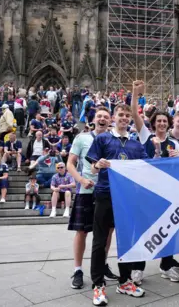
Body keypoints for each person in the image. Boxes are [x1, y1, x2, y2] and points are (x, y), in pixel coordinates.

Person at [87, 102, 147, 306]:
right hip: (105, 194)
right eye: (120, 114)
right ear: (114, 117)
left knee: (127, 241)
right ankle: (98, 285)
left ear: (130, 118)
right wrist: (98, 164)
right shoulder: (103, 138)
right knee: (100, 241)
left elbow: (145, 168)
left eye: (127, 115)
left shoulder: (136, 145)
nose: (123, 118)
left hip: (127, 198)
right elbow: (93, 169)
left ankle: (125, 281)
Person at [131, 83, 179, 283]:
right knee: (143, 231)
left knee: (168, 230)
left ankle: (167, 265)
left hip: (168, 193)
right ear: (153, 124)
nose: (161, 123)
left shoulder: (175, 143)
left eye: (164, 121)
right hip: (147, 193)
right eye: (158, 121)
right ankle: (138, 268)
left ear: (168, 124)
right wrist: (136, 94)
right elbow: (135, 116)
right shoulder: (146, 137)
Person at [67, 107, 118, 290]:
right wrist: (80, 179)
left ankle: (102, 265)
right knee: (82, 231)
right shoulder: (82, 138)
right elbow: (70, 163)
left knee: (108, 232)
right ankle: (78, 270)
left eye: (106, 116)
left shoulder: (115, 139)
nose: (102, 119)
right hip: (86, 191)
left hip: (107, 191)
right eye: (99, 116)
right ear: (94, 120)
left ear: (110, 120)